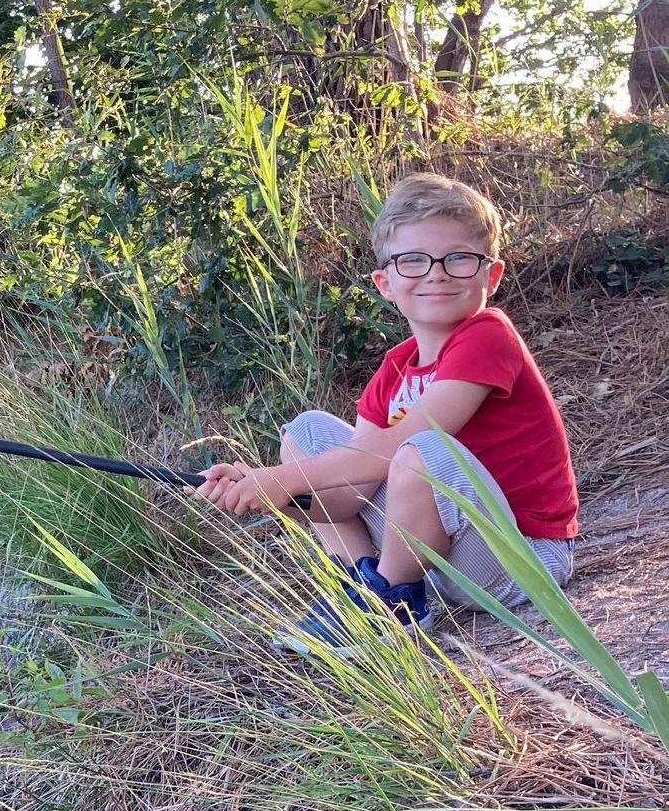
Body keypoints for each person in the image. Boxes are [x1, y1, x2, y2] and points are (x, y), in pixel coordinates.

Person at [194, 173, 578, 658]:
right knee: (309, 430)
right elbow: (350, 492)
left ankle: (392, 602)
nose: (436, 273)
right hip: (440, 560)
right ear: (386, 283)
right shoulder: (395, 369)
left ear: (491, 274)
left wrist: (279, 478)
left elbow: (394, 449)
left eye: (458, 258)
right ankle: (366, 586)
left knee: (425, 448)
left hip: (520, 561)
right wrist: (274, 493)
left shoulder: (487, 336)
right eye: (413, 261)